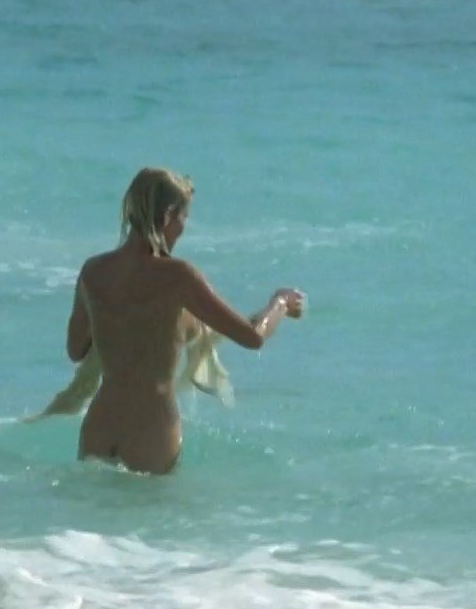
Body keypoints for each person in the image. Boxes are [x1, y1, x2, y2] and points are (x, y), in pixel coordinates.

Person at [64, 167, 304, 474]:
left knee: (91, 505)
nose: (183, 228)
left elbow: (76, 349)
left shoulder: (94, 271)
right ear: (168, 216)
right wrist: (280, 303)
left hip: (100, 427)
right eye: (184, 217)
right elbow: (253, 336)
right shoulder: (178, 276)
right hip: (151, 431)